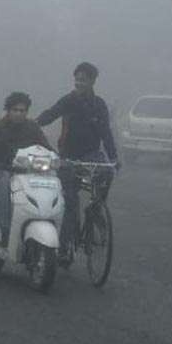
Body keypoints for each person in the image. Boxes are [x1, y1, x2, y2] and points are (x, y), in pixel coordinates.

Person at [35, 62, 119, 263]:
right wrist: (31, 125)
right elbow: (49, 115)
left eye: (83, 80)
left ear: (92, 81)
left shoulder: (99, 105)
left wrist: (114, 157)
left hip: (91, 154)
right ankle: (63, 248)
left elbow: (105, 133)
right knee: (70, 203)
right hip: (68, 156)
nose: (78, 83)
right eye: (77, 79)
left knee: (106, 173)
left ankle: (95, 211)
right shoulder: (68, 101)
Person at [0, 92, 51, 242]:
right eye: (15, 110)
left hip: (27, 172)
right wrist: (2, 165)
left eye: (23, 110)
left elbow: (45, 146)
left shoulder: (32, 127)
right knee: (4, 182)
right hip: (0, 171)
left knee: (51, 182)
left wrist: (56, 159)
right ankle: (4, 228)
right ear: (8, 110)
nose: (19, 114)